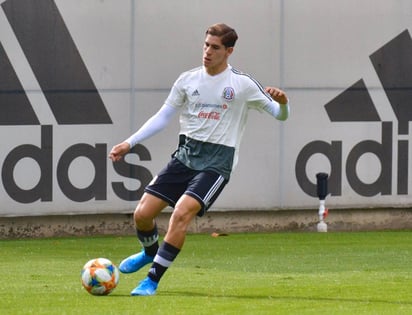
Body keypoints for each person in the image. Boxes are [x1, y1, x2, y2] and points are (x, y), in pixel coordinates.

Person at [108, 23, 290, 296]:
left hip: (217, 163)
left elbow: (279, 115)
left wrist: (284, 102)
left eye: (215, 47)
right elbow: (163, 117)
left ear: (228, 51)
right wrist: (129, 142)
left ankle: (152, 280)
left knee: (181, 214)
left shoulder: (241, 84)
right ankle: (149, 252)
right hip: (185, 156)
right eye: (206, 45)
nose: (207, 51)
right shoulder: (188, 80)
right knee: (142, 215)